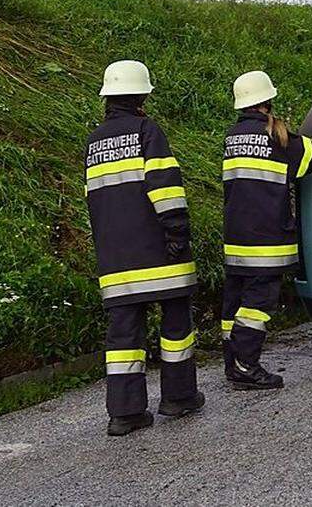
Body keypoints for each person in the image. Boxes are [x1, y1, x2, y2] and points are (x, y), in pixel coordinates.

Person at [85, 60, 204, 436]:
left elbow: (95, 201)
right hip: (159, 253)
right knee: (175, 325)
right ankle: (178, 397)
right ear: (142, 96)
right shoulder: (146, 131)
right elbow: (165, 188)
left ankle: (125, 413)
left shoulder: (94, 141)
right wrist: (177, 234)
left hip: (116, 257)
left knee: (123, 338)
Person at [222, 71, 312, 389]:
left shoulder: (232, 137)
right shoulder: (276, 136)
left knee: (234, 304)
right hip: (266, 241)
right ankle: (247, 367)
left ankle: (233, 364)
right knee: (257, 306)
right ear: (267, 100)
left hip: (236, 240)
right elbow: (311, 160)